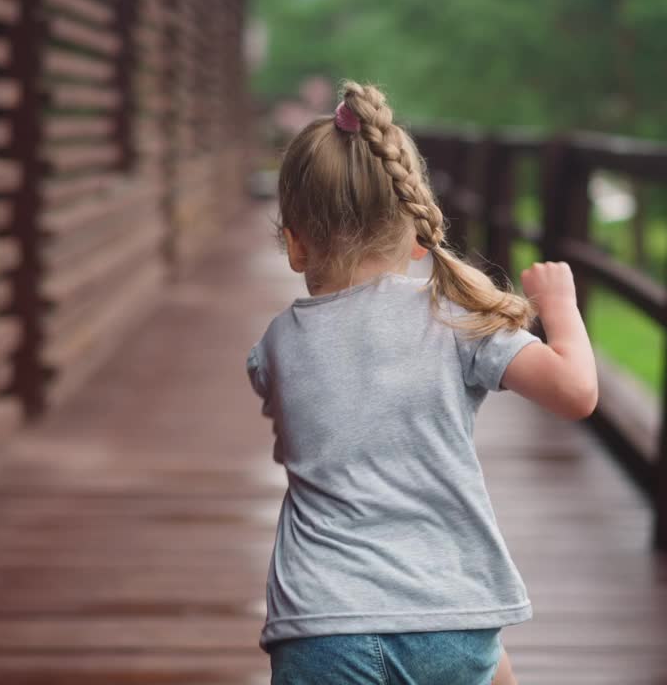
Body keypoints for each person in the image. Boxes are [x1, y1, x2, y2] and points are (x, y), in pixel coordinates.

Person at [247, 81, 598, 684]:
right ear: (416, 237)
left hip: (319, 625)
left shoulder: (275, 348)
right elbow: (576, 392)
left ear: (294, 244)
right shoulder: (455, 321)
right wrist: (559, 305)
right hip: (450, 617)